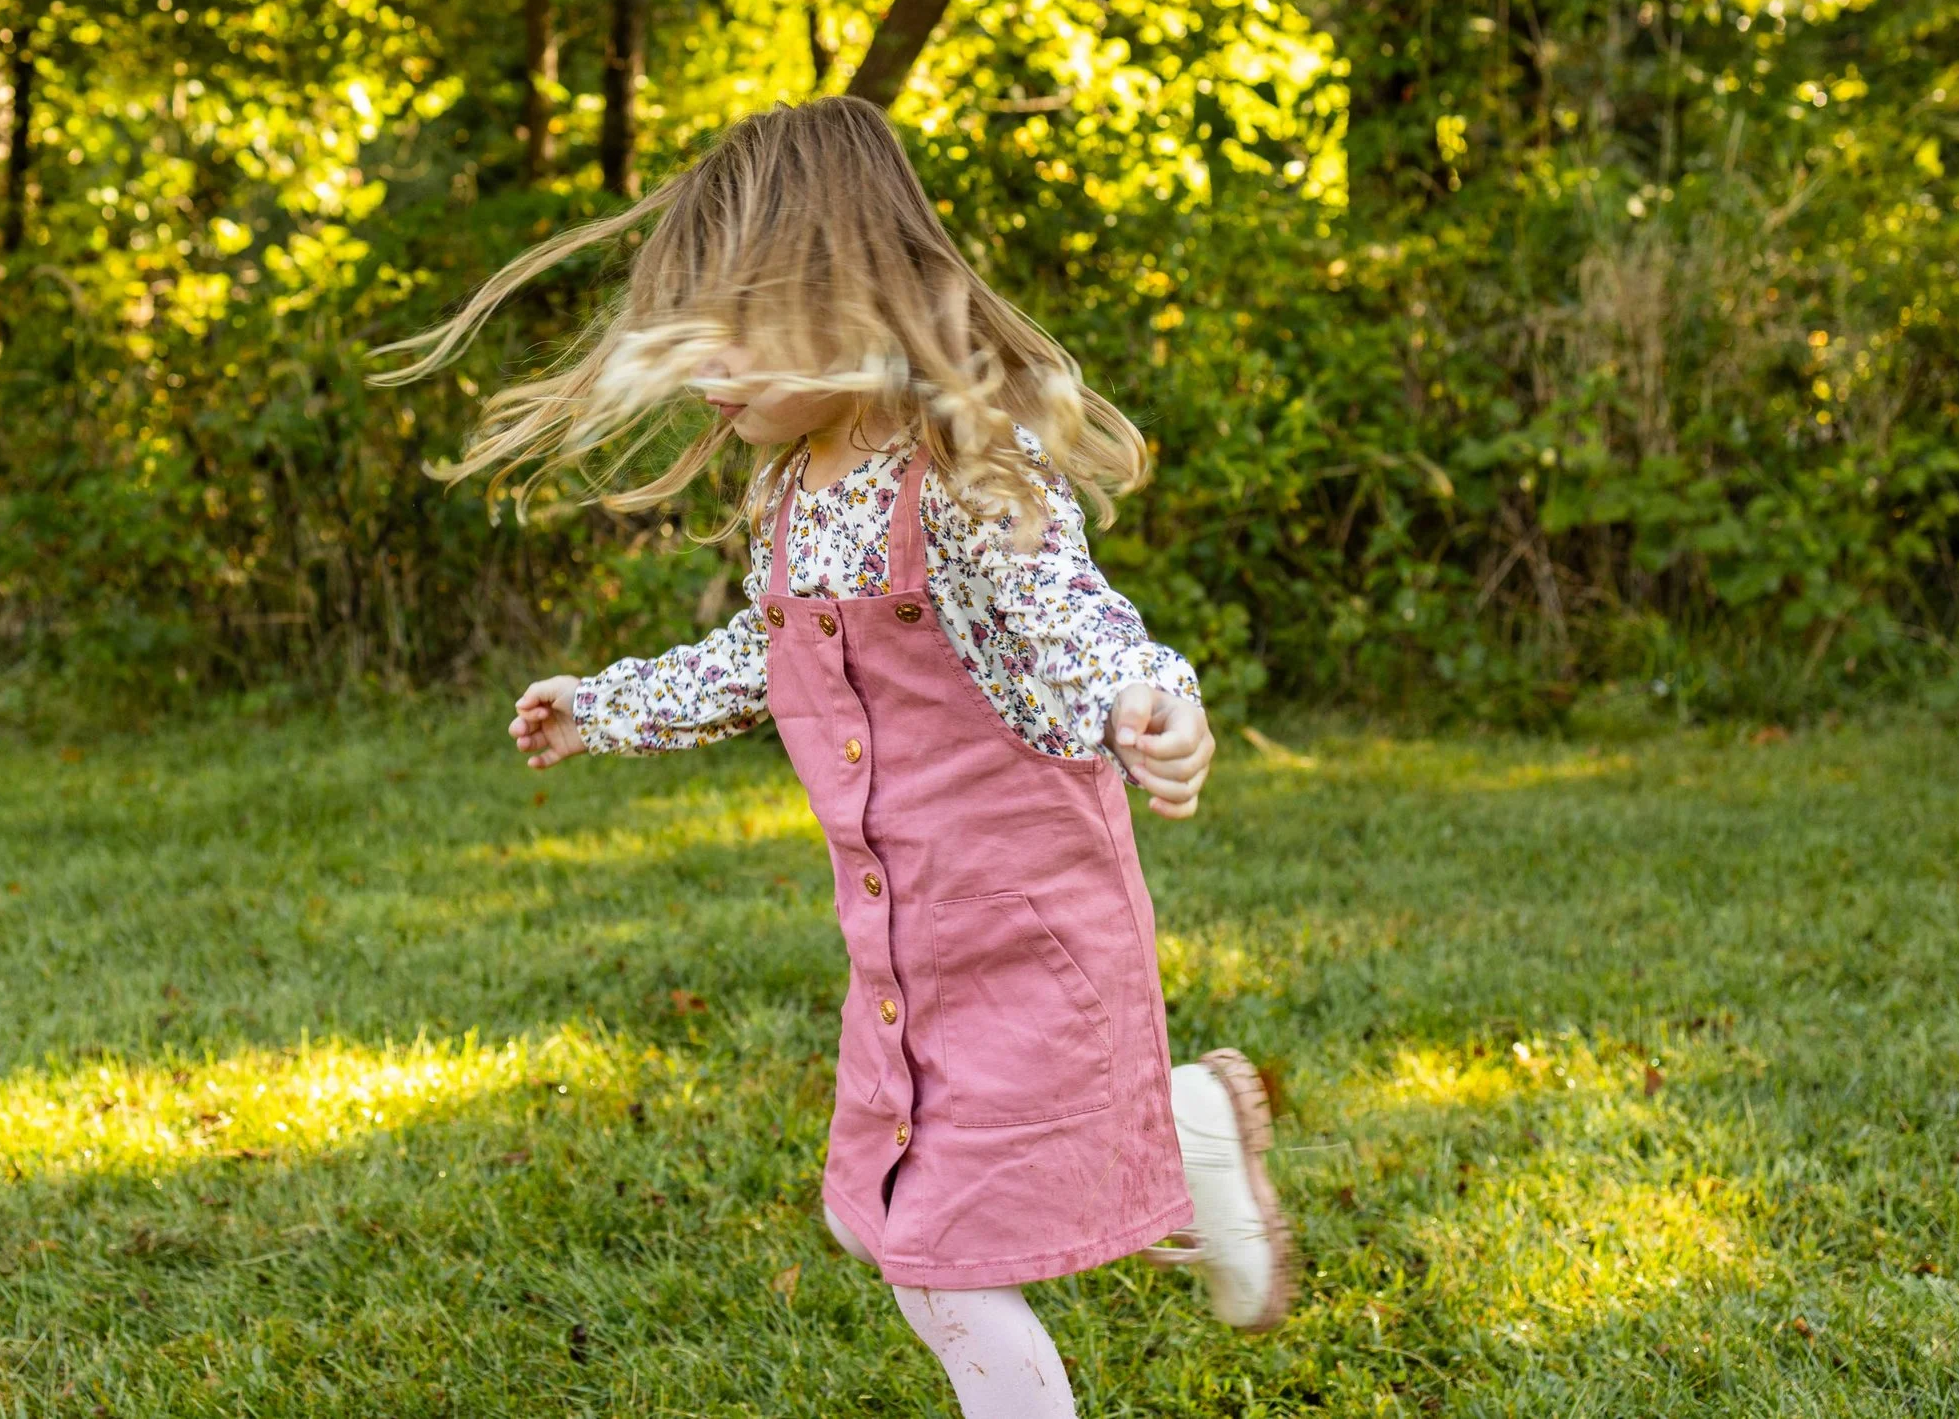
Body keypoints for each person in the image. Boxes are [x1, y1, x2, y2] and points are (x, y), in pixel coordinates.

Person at [376, 97, 1290, 1417]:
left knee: (938, 1264)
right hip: (906, 954)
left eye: (734, 326)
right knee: (877, 1218)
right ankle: (1191, 1130)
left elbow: (1066, 601)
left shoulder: (962, 460)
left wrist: (1151, 694)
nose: (704, 367)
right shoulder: (798, 487)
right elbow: (767, 657)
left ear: (846, 293)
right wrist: (609, 706)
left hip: (1027, 935)